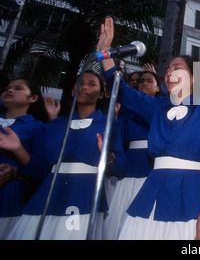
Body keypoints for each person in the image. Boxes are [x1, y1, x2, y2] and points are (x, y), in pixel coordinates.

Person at [100, 17, 200, 240]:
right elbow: (121, 90)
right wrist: (105, 52)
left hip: (196, 194)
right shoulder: (156, 107)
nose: (169, 73)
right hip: (154, 189)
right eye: (167, 70)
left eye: (176, 68)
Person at [7, 70, 126, 240]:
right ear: (72, 90)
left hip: (84, 194)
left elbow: (121, 169)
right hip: (48, 194)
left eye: (91, 84)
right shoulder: (55, 124)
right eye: (80, 83)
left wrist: (107, 157)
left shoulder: (111, 123)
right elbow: (40, 168)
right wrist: (18, 148)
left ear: (102, 94)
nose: (84, 86)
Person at [103, 68, 163, 239]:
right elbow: (118, 141)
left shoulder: (163, 108)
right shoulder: (124, 111)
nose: (144, 83)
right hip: (129, 169)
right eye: (141, 81)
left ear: (159, 87)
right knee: (120, 215)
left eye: (149, 81)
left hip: (152, 168)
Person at [0, 78, 48, 239]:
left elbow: (42, 170)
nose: (10, 90)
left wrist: (17, 153)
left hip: (8, 200)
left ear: (33, 98)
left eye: (18, 88)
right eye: (7, 88)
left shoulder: (37, 127)